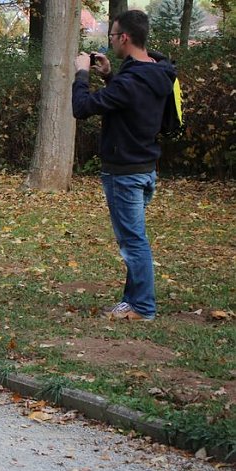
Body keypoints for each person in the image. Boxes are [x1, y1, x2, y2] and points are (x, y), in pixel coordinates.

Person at [72, 10, 175, 322]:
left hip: (125, 172)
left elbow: (82, 108)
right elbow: (130, 102)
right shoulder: (157, 71)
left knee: (133, 242)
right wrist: (109, 76)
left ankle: (142, 306)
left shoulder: (131, 81)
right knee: (134, 238)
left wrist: (81, 74)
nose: (111, 42)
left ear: (125, 37)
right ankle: (132, 302)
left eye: (112, 36)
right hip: (145, 167)